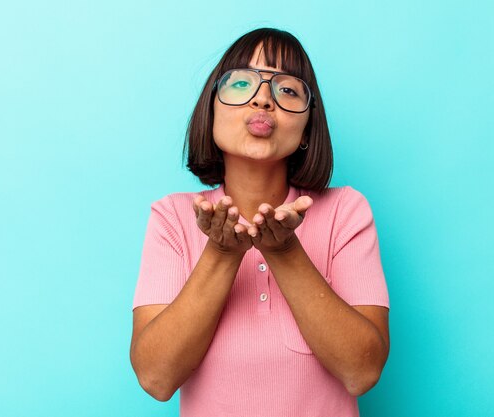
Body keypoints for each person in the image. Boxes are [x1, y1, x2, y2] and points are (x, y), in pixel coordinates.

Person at [130, 28, 390, 417]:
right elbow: (156, 378)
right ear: (212, 111)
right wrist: (220, 254)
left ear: (306, 129)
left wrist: (284, 252)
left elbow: (362, 371)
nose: (264, 99)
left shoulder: (345, 212)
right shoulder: (172, 218)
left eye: (288, 90)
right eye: (241, 83)